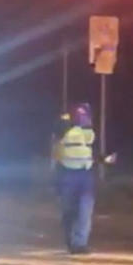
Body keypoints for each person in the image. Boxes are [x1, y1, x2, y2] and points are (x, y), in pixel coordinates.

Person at [52, 102, 115, 254]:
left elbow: (89, 153)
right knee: (68, 211)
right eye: (80, 114)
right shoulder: (63, 129)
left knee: (85, 211)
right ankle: (71, 241)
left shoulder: (88, 133)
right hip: (67, 174)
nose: (83, 117)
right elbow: (57, 132)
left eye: (85, 114)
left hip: (84, 175)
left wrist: (104, 159)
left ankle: (79, 244)